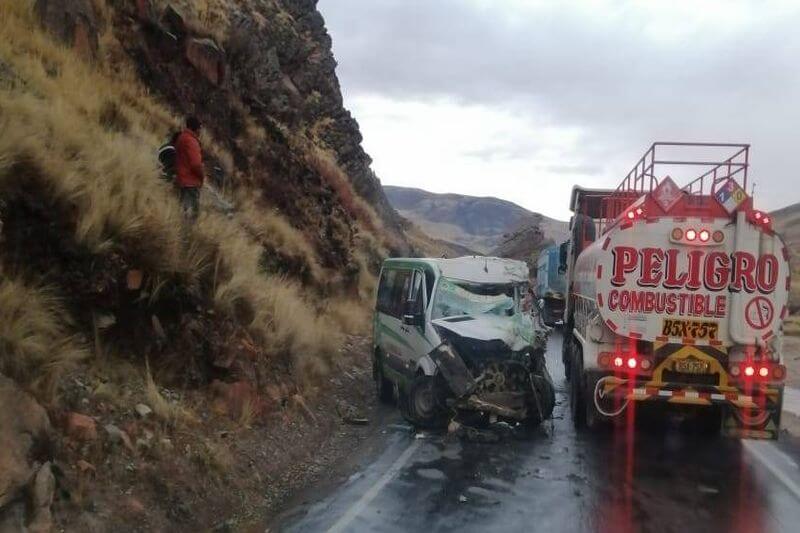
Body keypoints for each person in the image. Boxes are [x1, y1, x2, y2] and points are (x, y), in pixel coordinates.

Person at [175, 116, 204, 221]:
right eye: (200, 128)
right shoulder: (192, 141)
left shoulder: (182, 137)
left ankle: (183, 234)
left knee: (183, 211)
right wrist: (202, 176)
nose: (201, 131)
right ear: (196, 128)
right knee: (191, 215)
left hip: (182, 180)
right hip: (191, 182)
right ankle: (188, 235)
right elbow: (196, 164)